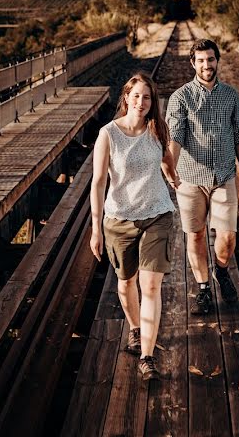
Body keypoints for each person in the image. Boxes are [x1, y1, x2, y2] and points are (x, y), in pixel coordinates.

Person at [89, 72, 180, 381]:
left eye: (147, 97)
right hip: (119, 220)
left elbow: (166, 158)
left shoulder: (156, 128)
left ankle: (147, 355)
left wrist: (172, 176)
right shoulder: (108, 134)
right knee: (127, 283)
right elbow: (99, 181)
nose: (142, 102)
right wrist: (95, 229)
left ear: (152, 102)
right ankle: (136, 327)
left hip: (157, 213)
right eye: (136, 96)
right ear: (126, 97)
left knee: (151, 286)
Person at [166, 38, 239, 315]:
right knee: (196, 235)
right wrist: (170, 164)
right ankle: (203, 288)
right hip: (190, 179)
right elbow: (176, 137)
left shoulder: (231, 96)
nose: (206, 65)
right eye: (201, 60)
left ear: (217, 61)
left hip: (224, 175)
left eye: (210, 59)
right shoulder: (181, 98)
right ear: (193, 63)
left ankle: (222, 271)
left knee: (227, 239)